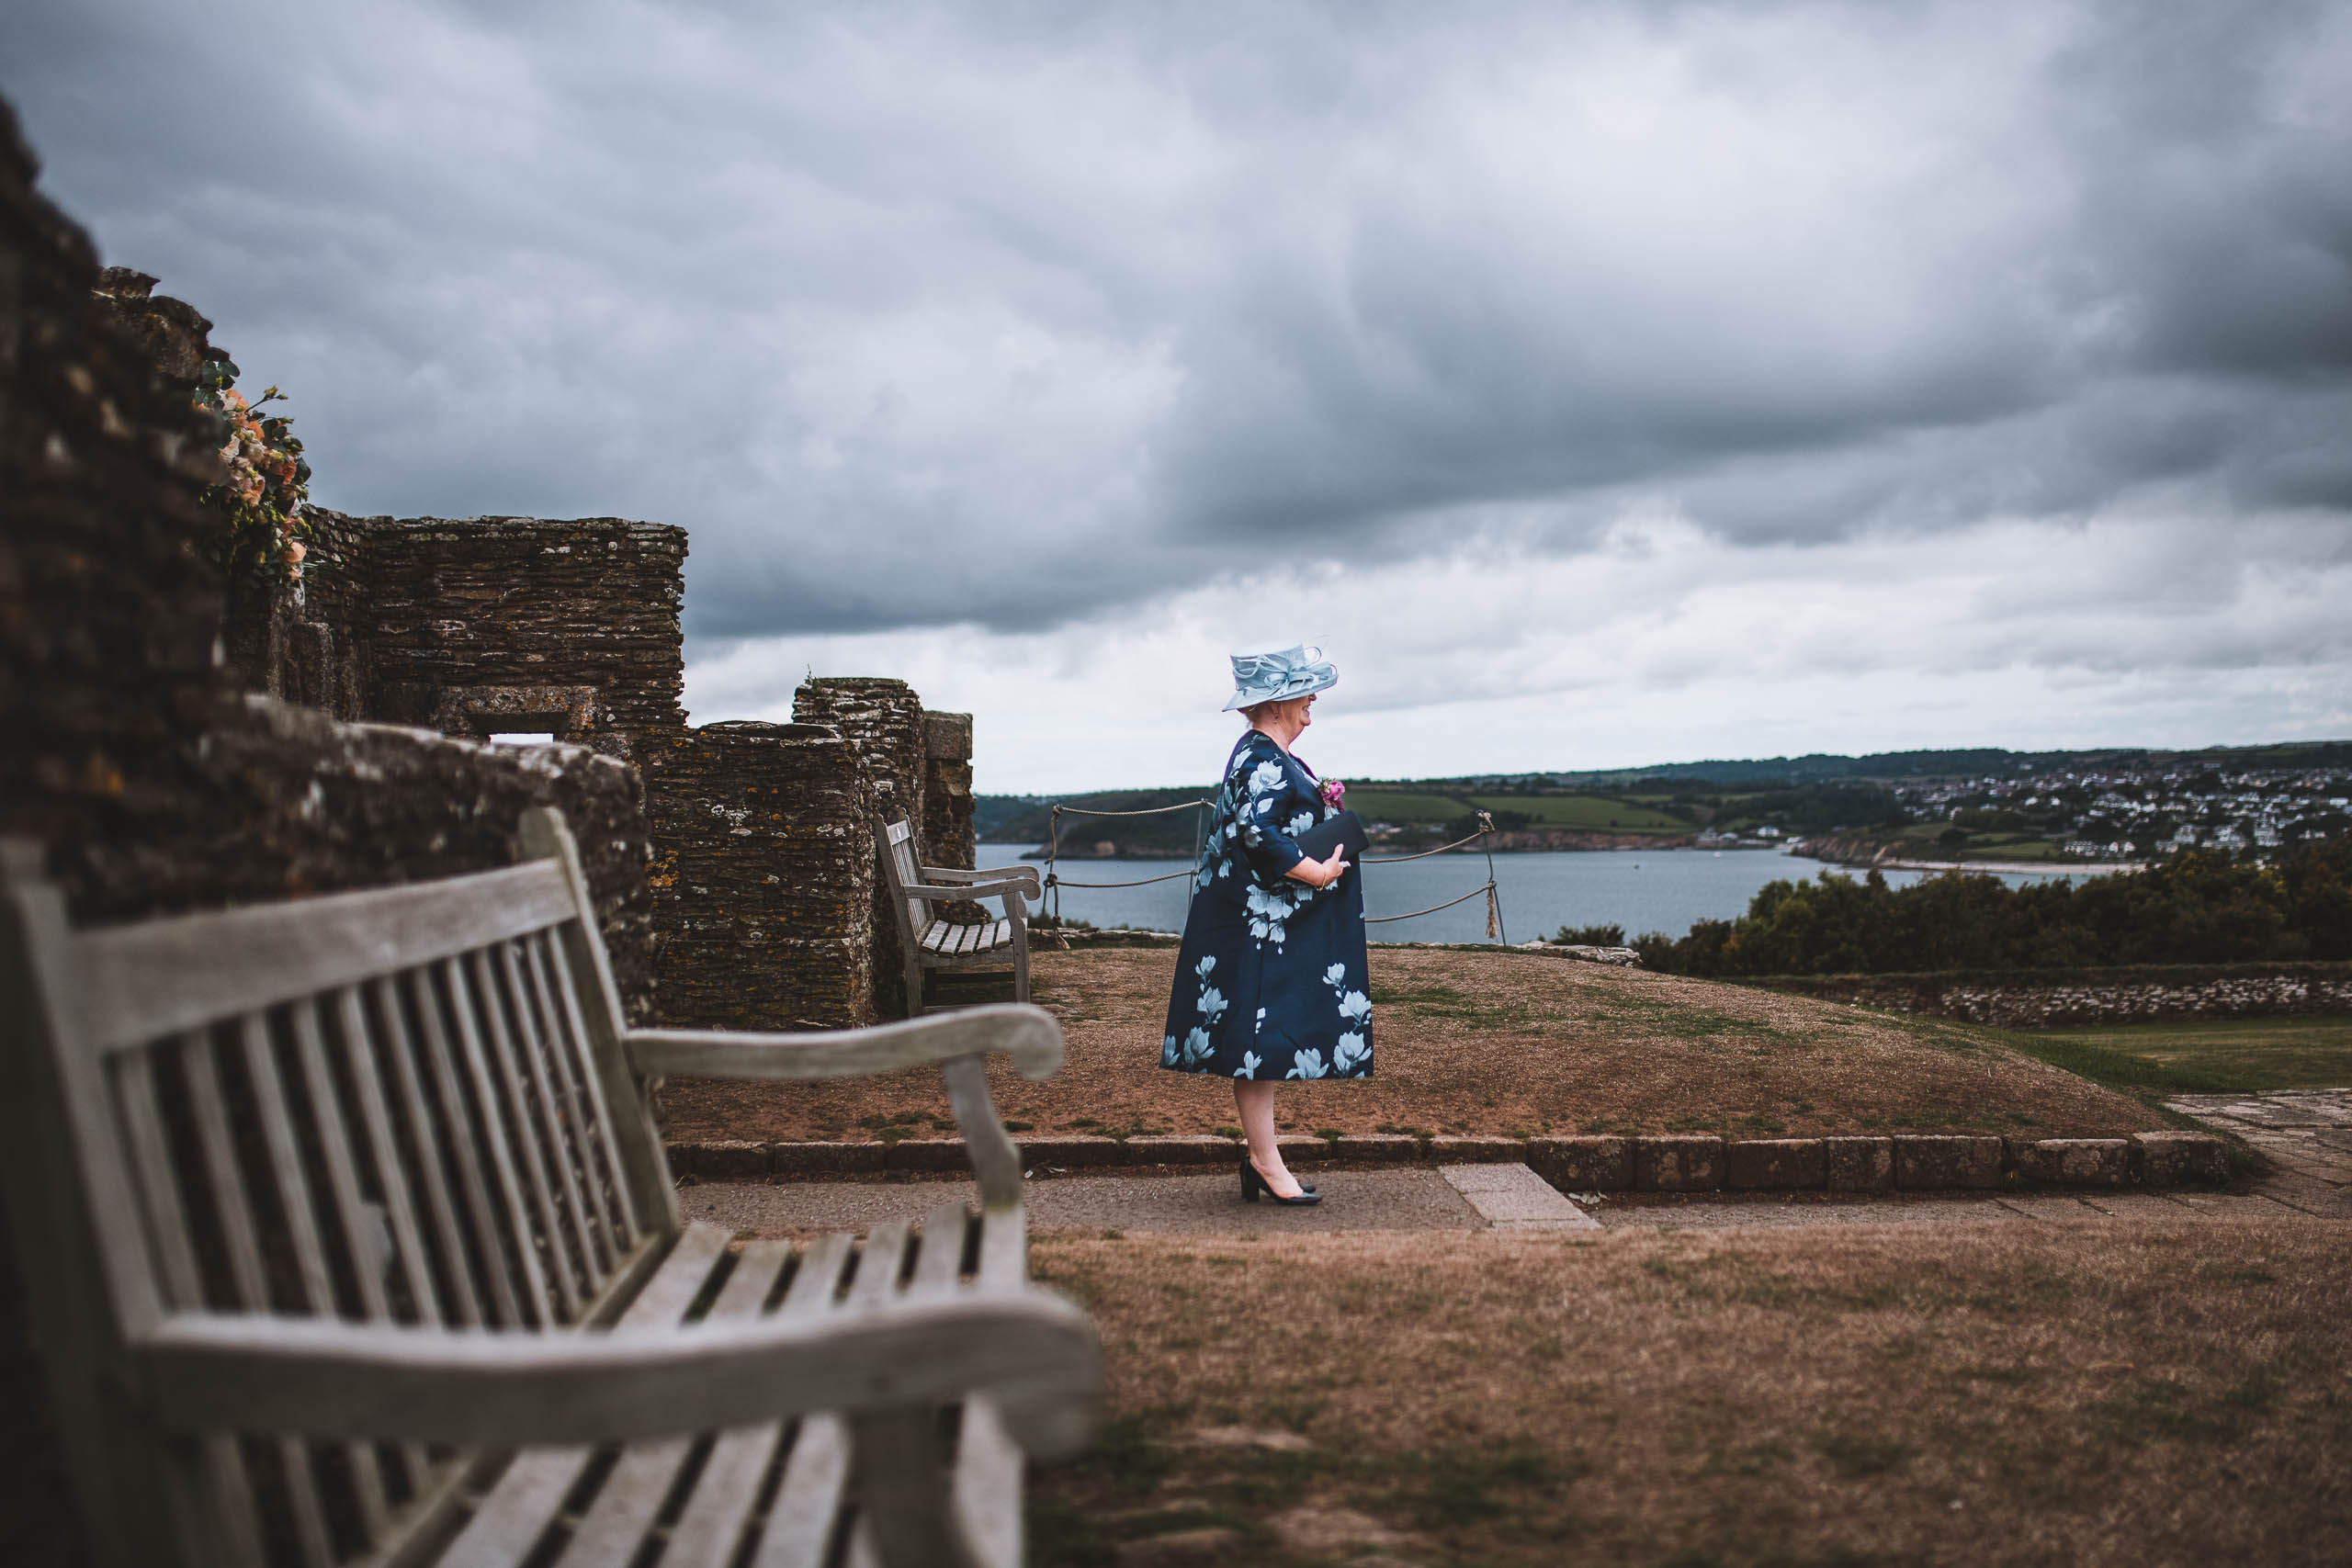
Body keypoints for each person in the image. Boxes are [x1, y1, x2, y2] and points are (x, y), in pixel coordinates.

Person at [1161, 642, 1372, 1205]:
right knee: (1257, 1040)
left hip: (1261, 925)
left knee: (1263, 1043)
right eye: (1305, 695)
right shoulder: (1259, 757)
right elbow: (1259, 834)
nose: (1311, 706)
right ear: (1277, 702)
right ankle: (1264, 1161)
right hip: (1257, 929)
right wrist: (1318, 872)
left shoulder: (1263, 753)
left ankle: (1264, 1158)